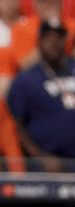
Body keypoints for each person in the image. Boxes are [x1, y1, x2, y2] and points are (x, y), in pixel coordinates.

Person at [6, 19, 75, 172]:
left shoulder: (72, 67)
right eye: (49, 38)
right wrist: (39, 156)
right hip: (48, 167)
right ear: (39, 42)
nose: (54, 43)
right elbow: (15, 125)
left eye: (58, 38)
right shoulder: (26, 79)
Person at [9, 0, 75, 71]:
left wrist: (58, 25)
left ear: (60, 3)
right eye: (43, 2)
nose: (49, 5)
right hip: (37, 74)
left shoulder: (72, 26)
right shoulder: (21, 28)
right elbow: (24, 64)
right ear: (35, 4)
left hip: (67, 72)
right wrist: (47, 27)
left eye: (53, 1)